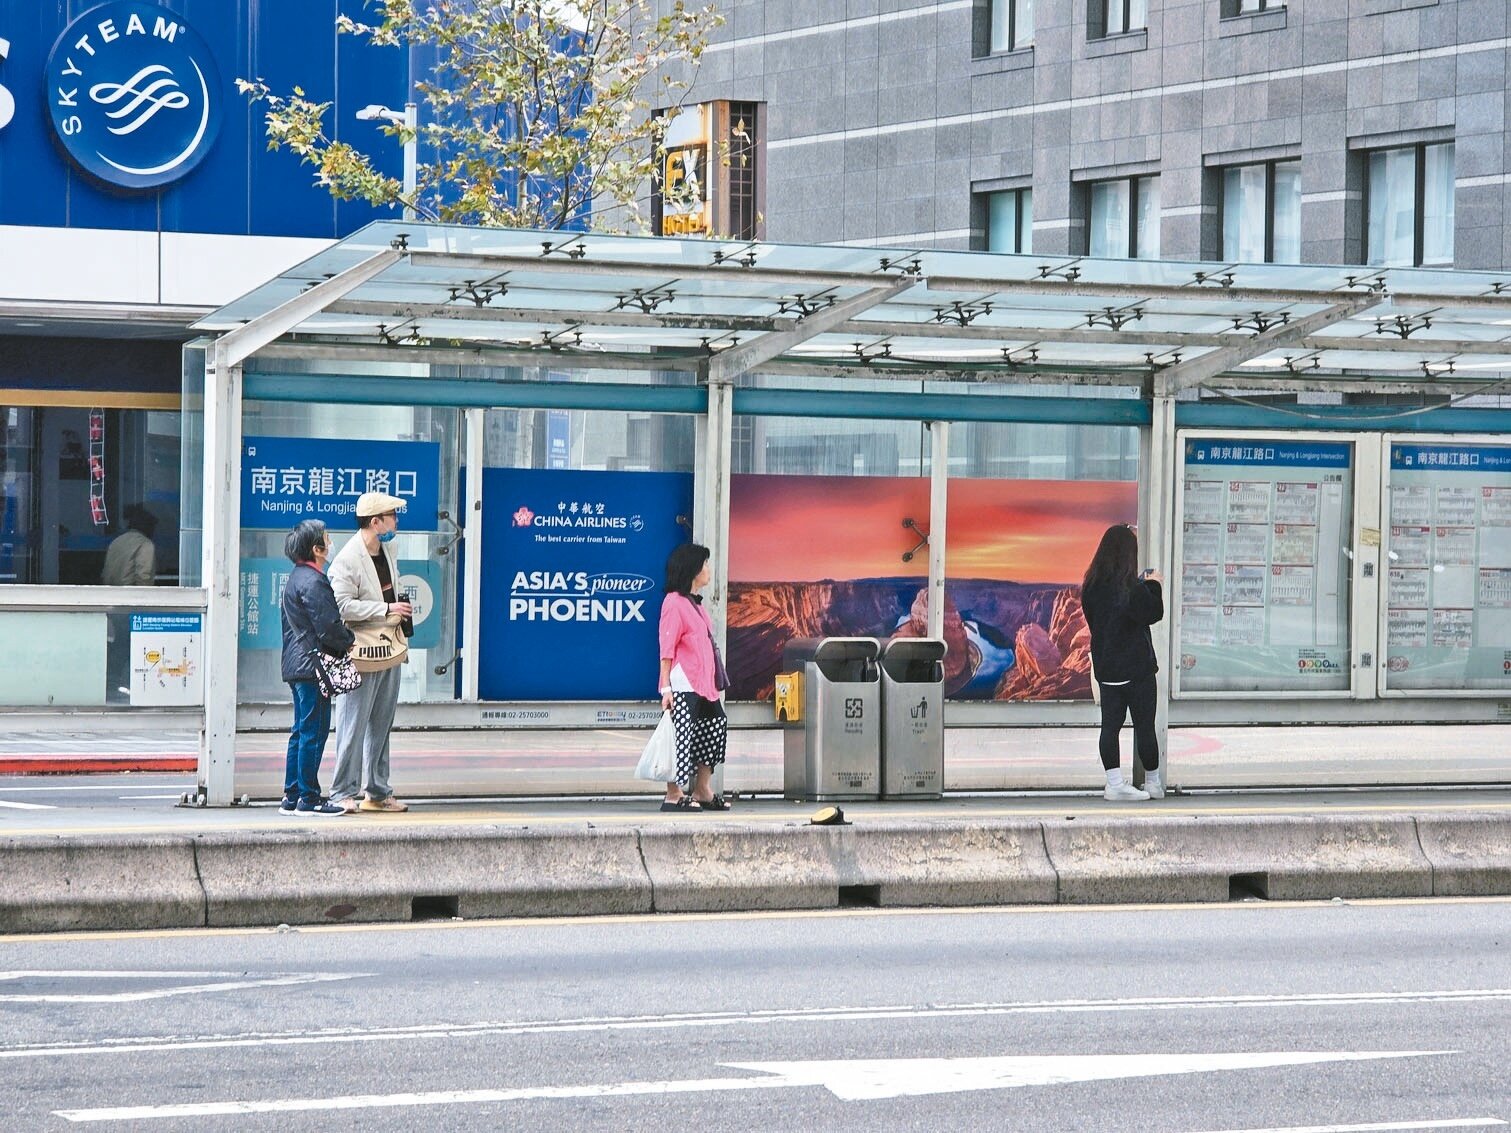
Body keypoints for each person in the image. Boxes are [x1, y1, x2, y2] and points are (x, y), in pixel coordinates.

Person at [328, 492, 414, 814]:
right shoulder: (348, 559)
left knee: (381, 722)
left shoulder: (388, 549)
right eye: (392, 516)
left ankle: (378, 791)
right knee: (352, 722)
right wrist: (385, 609)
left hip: (389, 647)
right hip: (361, 651)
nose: (396, 522)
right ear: (375, 521)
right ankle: (342, 791)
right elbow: (341, 606)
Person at [1081, 523, 1165, 802]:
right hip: (1137, 670)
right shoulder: (1130, 588)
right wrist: (1154, 584)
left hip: (1107, 670)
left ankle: (1114, 783)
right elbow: (1153, 612)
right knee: (1144, 727)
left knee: (1110, 727)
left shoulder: (1091, 586)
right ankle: (1153, 782)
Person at [278, 520, 355, 816]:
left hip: (296, 665)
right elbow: (328, 625)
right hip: (313, 667)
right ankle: (309, 798)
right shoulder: (314, 581)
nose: (331, 543)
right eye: (327, 539)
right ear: (317, 549)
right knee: (314, 731)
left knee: (300, 731)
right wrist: (348, 640)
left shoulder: (295, 579)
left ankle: (292, 795)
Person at [657, 542, 731, 812]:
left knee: (714, 728)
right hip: (683, 682)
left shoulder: (695, 605)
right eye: (705, 564)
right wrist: (666, 687)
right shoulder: (673, 603)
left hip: (704, 684)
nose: (708, 569)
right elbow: (667, 647)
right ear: (693, 569)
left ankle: (702, 789)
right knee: (681, 736)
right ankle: (673, 794)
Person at [102, 504, 156, 586]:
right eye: (152, 527)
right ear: (147, 526)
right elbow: (144, 577)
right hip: (132, 592)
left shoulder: (116, 542)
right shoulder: (145, 544)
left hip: (110, 592)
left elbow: (106, 574)